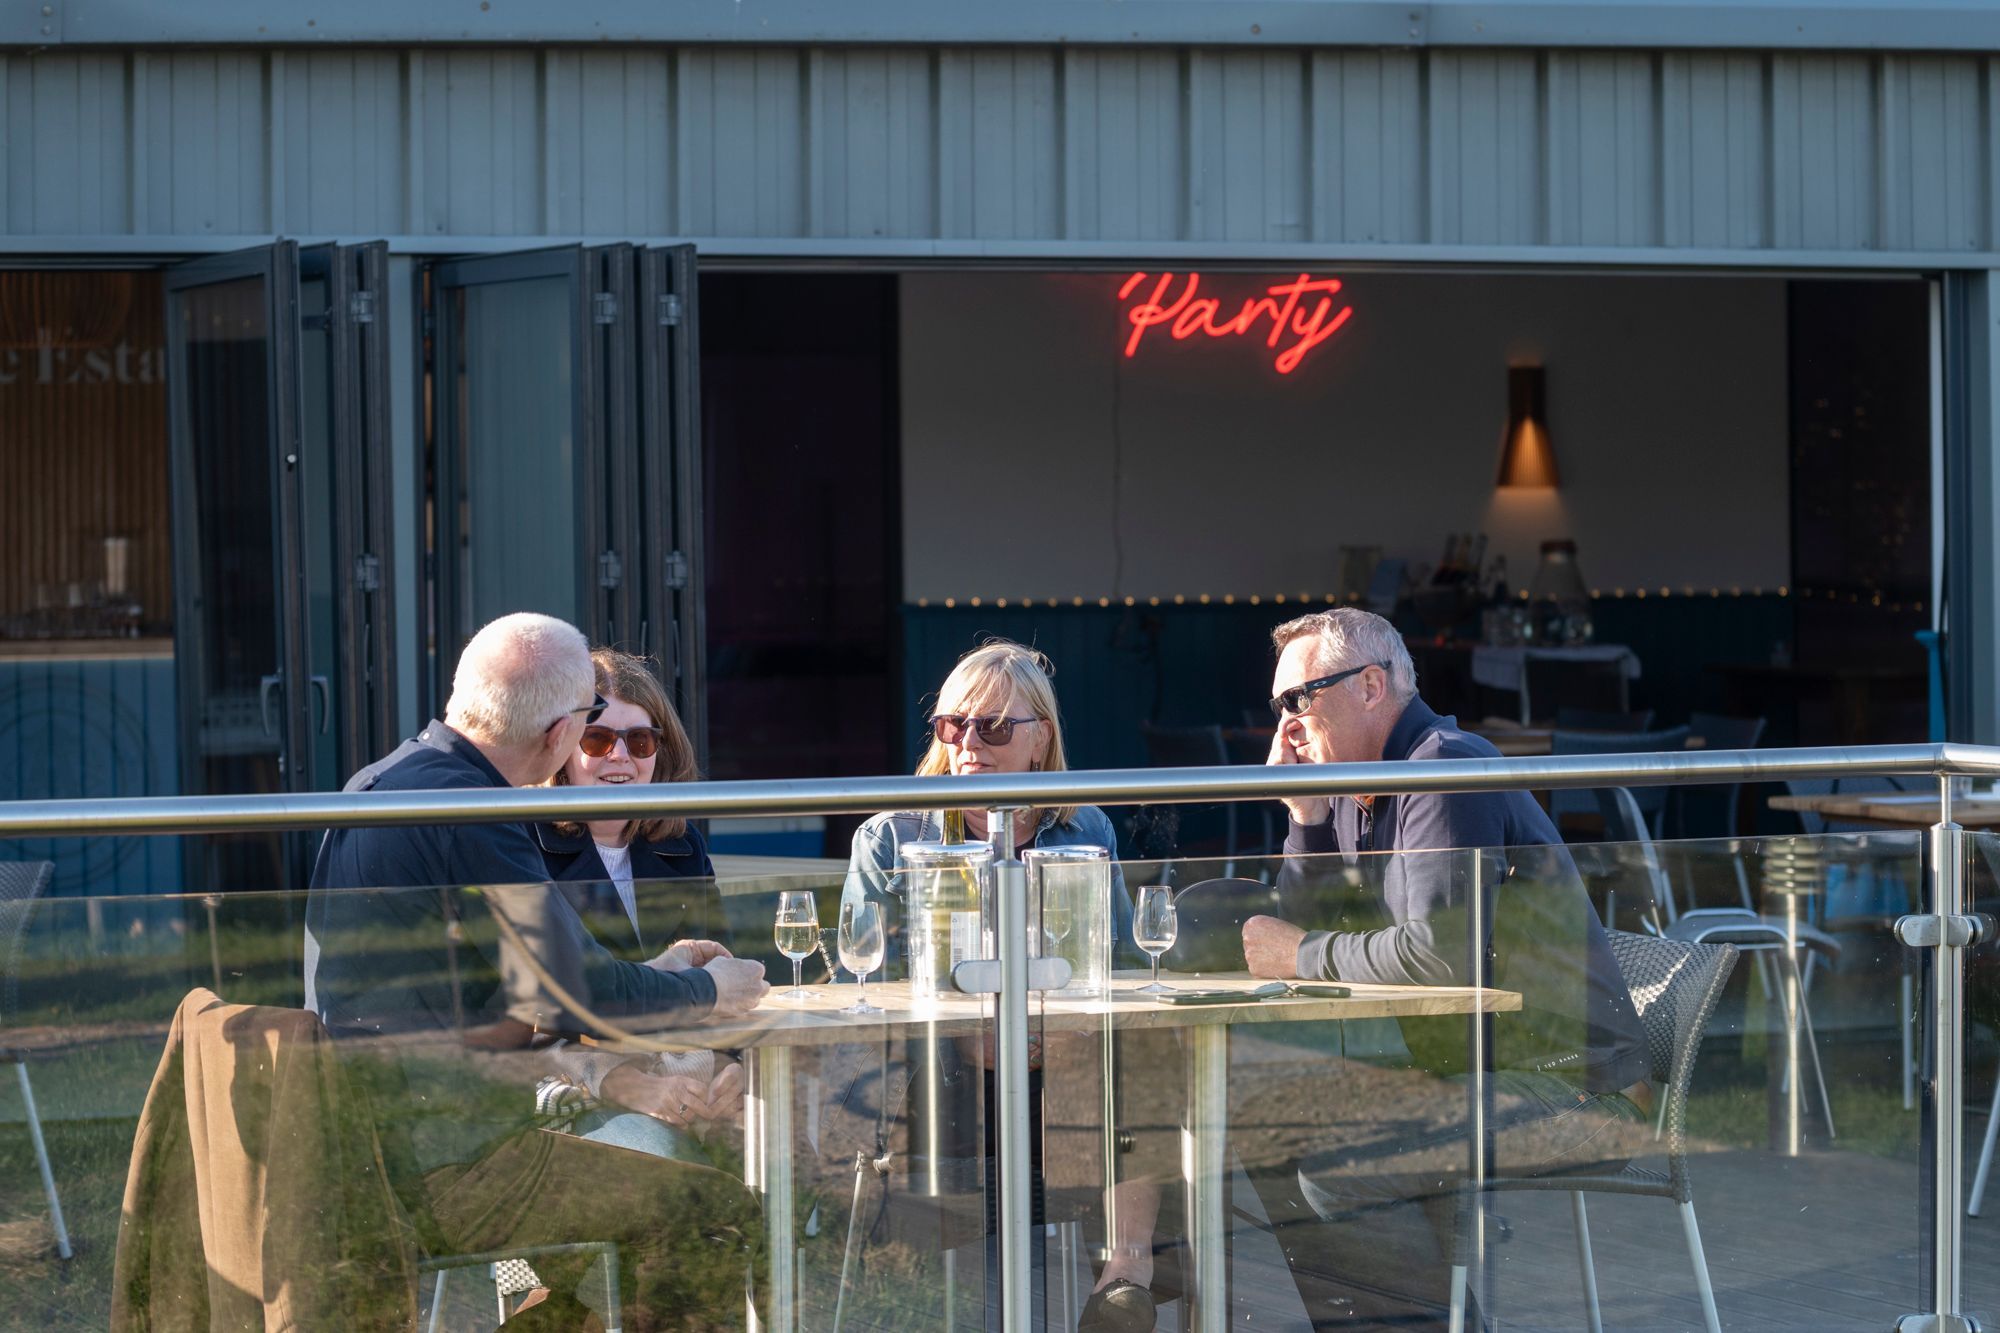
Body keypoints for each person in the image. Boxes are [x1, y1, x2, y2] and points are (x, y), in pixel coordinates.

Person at [304, 612, 769, 1330]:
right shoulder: (478, 810)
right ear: (557, 736)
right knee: (708, 1208)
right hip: (450, 1163)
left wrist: (655, 969)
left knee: (632, 1216)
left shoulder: (381, 781)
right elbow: (572, 995)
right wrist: (709, 988)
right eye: (589, 724)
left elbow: (530, 991)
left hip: (378, 1145)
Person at [1235, 607, 1650, 1331]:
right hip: (1460, 1071)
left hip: (1574, 1087)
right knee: (1264, 1130)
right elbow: (1323, 937)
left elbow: (1434, 957)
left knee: (1340, 1157)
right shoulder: (1355, 787)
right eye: (1277, 707)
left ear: (1371, 685)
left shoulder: (1444, 765)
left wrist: (1297, 950)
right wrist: (1303, 816)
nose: (1287, 725)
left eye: (1299, 699)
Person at [841, 640, 1162, 1332]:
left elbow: (1123, 966)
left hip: (1065, 1062)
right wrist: (965, 1025)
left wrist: (1054, 1026)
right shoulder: (893, 837)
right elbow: (856, 982)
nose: (968, 744)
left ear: (1041, 737)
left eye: (992, 727)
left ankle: (1126, 1272)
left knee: (1135, 1054)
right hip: (935, 1067)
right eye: (953, 726)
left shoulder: (1085, 826)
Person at [536, 647, 743, 1164]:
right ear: (561, 747)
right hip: (572, 1085)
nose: (620, 756)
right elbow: (533, 1015)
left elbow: (725, 973)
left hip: (686, 1075)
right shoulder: (524, 847)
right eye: (598, 738)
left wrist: (731, 1065)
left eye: (640, 740)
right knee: (669, 1162)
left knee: (796, 1150)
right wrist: (627, 1084)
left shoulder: (680, 843)